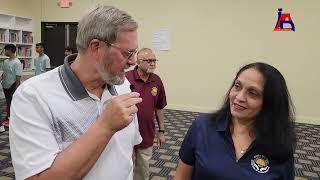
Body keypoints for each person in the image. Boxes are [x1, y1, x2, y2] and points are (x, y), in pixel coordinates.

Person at [9, 5, 143, 180]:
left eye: (135, 52)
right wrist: (105, 126)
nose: (133, 61)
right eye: (127, 53)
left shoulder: (123, 84)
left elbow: (126, 151)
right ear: (95, 47)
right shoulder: (32, 96)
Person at [174, 62, 296, 180]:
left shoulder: (280, 143)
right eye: (237, 86)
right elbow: (181, 176)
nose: (239, 97)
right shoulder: (202, 126)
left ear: (270, 102)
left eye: (252, 93)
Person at [126, 48, 167, 180]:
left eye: (154, 60)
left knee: (143, 168)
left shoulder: (157, 80)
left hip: (147, 132)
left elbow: (159, 108)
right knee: (125, 167)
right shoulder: (126, 79)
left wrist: (161, 131)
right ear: (138, 61)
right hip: (127, 133)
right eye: (149, 60)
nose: (153, 63)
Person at [1, 44, 22, 127]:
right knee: (7, 102)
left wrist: (17, 87)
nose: (5, 51)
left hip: (12, 85)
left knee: (12, 102)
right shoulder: (5, 61)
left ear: (10, 50)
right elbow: (4, 72)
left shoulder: (17, 62)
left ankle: (13, 119)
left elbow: (18, 75)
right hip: (5, 85)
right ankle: (8, 116)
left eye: (6, 50)